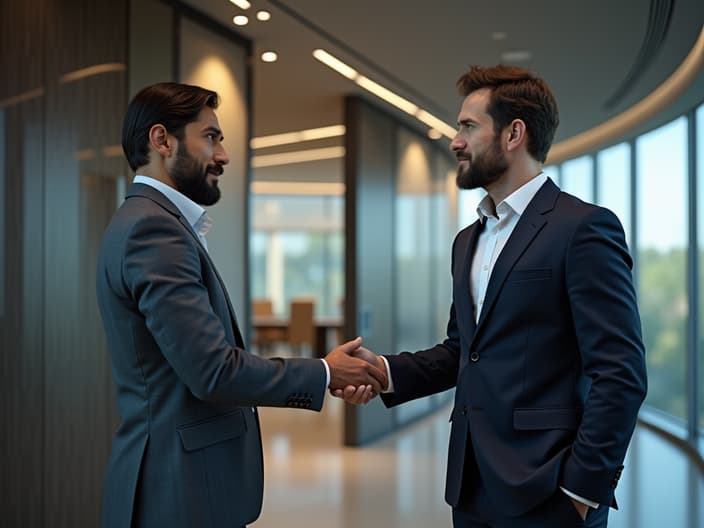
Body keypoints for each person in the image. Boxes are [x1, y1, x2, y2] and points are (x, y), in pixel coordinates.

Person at [336, 65, 647, 527]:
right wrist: (384, 372)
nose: (455, 141)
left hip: (549, 489)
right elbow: (464, 351)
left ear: (513, 133)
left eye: (468, 126)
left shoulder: (582, 228)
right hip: (470, 485)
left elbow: (620, 372)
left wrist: (580, 492)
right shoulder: (467, 240)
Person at [96, 82, 386, 528]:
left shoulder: (148, 222)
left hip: (177, 483)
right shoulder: (154, 231)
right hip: (178, 490)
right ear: (162, 140)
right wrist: (325, 372)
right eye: (211, 137)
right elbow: (212, 371)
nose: (224, 155)